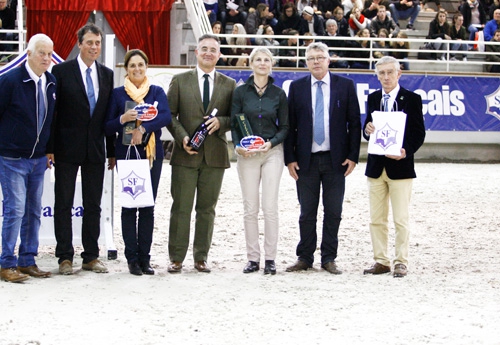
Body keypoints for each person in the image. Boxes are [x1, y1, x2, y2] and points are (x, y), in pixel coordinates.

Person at [284, 42, 361, 274]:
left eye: (320, 57)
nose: (316, 61)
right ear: (306, 62)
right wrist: (290, 158)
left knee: (334, 211)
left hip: (336, 160)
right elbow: (290, 125)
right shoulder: (296, 88)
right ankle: (305, 257)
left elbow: (355, 123)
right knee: (307, 212)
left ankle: (329, 257)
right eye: (311, 58)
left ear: (329, 60)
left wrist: (353, 156)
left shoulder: (345, 85)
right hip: (305, 161)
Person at [47, 23, 115, 275]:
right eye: (89, 43)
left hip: (96, 149)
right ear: (79, 44)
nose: (94, 47)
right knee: (63, 202)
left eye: (97, 43)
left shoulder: (107, 74)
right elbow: (54, 114)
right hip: (65, 148)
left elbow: (107, 116)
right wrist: (50, 147)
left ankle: (91, 256)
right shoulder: (61, 71)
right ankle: (65, 256)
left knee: (93, 204)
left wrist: (111, 151)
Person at [166, 34, 236, 274]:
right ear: (196, 52)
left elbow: (235, 118)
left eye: (213, 50)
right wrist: (182, 136)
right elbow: (170, 116)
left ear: (219, 55)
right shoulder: (180, 80)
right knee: (181, 207)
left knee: (207, 209)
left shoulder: (229, 84)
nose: (208, 53)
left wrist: (222, 121)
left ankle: (201, 257)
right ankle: (176, 257)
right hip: (185, 155)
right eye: (204, 48)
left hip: (215, 156)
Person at [104, 50, 171, 276]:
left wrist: (143, 128)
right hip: (126, 155)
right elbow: (107, 126)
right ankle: (132, 259)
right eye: (132, 65)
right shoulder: (117, 94)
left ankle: (145, 258)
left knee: (148, 207)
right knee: (129, 206)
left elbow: (165, 116)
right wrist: (123, 120)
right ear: (126, 68)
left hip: (151, 156)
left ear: (147, 66)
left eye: (141, 65)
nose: (137, 69)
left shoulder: (156, 92)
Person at [362, 56, 425, 278]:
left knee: (401, 218)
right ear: (377, 75)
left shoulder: (412, 99)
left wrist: (405, 150)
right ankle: (381, 260)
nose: (386, 77)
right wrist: (367, 129)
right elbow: (367, 127)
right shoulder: (373, 98)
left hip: (401, 167)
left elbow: (419, 133)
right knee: (376, 218)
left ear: (399, 74)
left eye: (390, 72)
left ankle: (401, 261)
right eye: (382, 73)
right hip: (376, 167)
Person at [0, 34, 55, 283]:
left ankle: (27, 260)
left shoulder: (51, 82)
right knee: (15, 210)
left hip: (38, 160)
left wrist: (48, 151)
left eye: (49, 53)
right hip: (12, 158)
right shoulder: (9, 81)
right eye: (42, 53)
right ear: (29, 54)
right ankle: (6, 263)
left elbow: (51, 122)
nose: (46, 58)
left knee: (33, 211)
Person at [231, 47, 289, 275]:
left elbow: (285, 127)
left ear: (271, 64)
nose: (262, 63)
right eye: (258, 59)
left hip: (271, 152)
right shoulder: (240, 92)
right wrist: (237, 146)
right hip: (247, 154)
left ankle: (271, 259)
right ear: (251, 63)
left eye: (266, 60)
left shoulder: (278, 93)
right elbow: (236, 123)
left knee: (269, 206)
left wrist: (271, 143)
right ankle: (253, 258)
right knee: (250, 208)